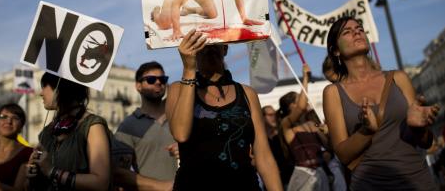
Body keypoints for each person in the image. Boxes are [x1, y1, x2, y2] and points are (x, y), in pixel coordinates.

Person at [322, 17, 439, 190]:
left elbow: (426, 142)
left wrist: (419, 128)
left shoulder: (398, 78)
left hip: (417, 182)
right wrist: (366, 131)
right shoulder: (332, 93)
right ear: (336, 51)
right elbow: (343, 155)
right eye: (347, 32)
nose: (357, 32)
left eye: (359, 29)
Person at [166, 29, 283, 190]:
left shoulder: (247, 93)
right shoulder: (178, 89)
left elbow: (263, 155)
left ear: (226, 48)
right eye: (203, 43)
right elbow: (180, 133)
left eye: (216, 41)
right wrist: (189, 69)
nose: (210, 47)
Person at [27, 73, 112, 191]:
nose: (40, 93)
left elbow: (100, 183)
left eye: (44, 86)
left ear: (60, 89)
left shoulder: (93, 126)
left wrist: (52, 171)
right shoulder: (47, 132)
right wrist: (33, 173)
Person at [112, 61, 177, 191]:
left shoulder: (179, 118)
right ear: (138, 86)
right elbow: (118, 173)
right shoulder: (128, 126)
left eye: (163, 79)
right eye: (151, 80)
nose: (158, 83)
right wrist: (165, 187)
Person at [279, 65, 332, 191]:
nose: (306, 100)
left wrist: (328, 134)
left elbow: (329, 147)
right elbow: (302, 107)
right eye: (301, 98)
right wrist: (305, 79)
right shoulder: (286, 126)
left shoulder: (312, 124)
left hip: (320, 173)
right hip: (303, 175)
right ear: (292, 106)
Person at [0, 103, 32, 191]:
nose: (8, 121)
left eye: (15, 118)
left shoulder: (28, 153)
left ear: (21, 126)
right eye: (3, 117)